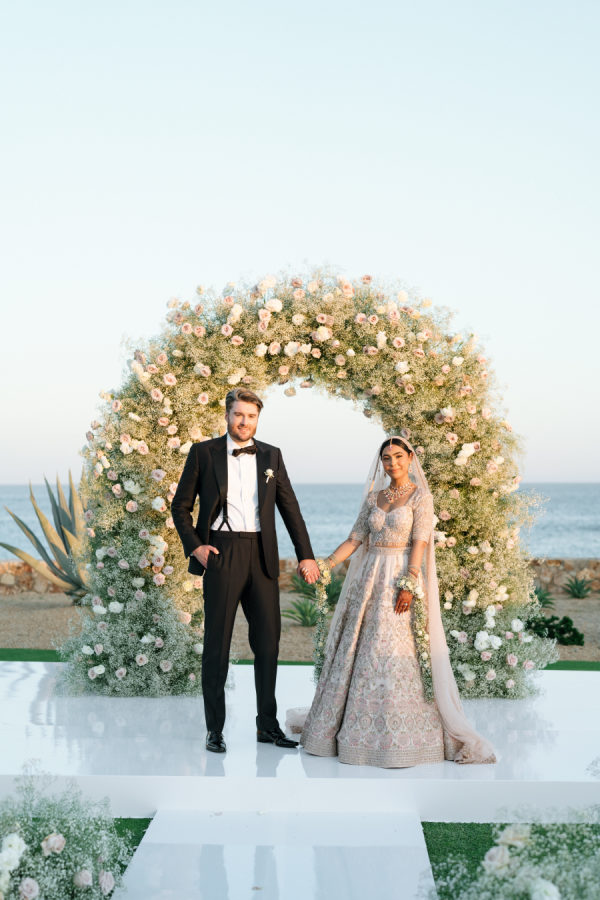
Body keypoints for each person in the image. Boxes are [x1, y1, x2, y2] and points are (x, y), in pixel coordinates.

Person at [300, 436, 496, 768]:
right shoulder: (374, 498)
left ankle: (404, 738)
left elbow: (420, 540)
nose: (393, 464)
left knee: (394, 652)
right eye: (387, 459)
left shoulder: (421, 497)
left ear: (410, 458)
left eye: (398, 457)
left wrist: (410, 581)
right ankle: (354, 733)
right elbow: (355, 538)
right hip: (370, 580)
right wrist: (326, 565)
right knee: (361, 651)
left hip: (400, 579)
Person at [171, 387, 320, 753]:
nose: (244, 422)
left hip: (262, 555)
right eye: (238, 415)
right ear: (227, 415)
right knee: (217, 645)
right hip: (222, 553)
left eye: (250, 416)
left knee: (268, 644)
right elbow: (180, 507)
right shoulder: (203, 453)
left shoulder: (272, 455)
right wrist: (197, 546)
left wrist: (306, 555)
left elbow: (290, 508)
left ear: (257, 419)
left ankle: (266, 727)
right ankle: (214, 729)